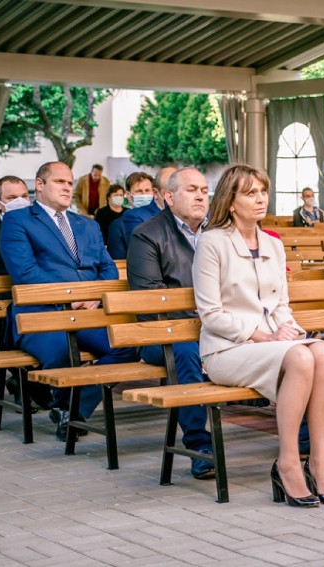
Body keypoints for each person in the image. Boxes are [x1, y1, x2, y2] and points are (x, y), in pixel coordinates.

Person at [193, 164, 324, 507]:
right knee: (301, 356)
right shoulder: (212, 242)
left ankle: (319, 463)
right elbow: (210, 314)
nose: (260, 199)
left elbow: (280, 305)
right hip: (226, 351)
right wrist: (263, 336)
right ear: (231, 202)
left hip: (270, 345)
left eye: (262, 191)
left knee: (322, 352)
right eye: (250, 193)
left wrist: (289, 329)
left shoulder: (273, 244)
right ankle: (288, 463)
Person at [0, 162, 139, 441]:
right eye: (59, 181)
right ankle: (67, 409)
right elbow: (25, 272)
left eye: (70, 182)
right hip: (41, 315)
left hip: (87, 313)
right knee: (63, 352)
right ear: (39, 185)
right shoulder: (19, 221)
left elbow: (107, 268)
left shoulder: (87, 224)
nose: (67, 187)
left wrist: (94, 296)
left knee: (130, 345)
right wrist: (70, 296)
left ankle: (72, 407)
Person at [126, 168, 216, 480]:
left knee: (282, 348)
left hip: (217, 329)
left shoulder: (218, 231)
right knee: (186, 350)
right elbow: (150, 299)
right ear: (169, 197)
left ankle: (303, 439)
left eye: (204, 189)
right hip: (163, 336)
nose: (201, 195)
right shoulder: (147, 235)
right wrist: (203, 314)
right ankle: (199, 447)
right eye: (192, 189)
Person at [0, 176, 50, 409]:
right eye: (12, 198)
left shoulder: (41, 229)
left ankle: (32, 385)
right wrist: (1, 307)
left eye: (24, 196)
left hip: (38, 302)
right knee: (13, 327)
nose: (20, 201)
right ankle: (32, 387)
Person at [108, 170, 165, 260]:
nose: (144, 194)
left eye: (147, 190)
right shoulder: (117, 225)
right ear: (129, 196)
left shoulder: (163, 216)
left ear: (154, 192)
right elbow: (118, 261)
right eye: (139, 191)